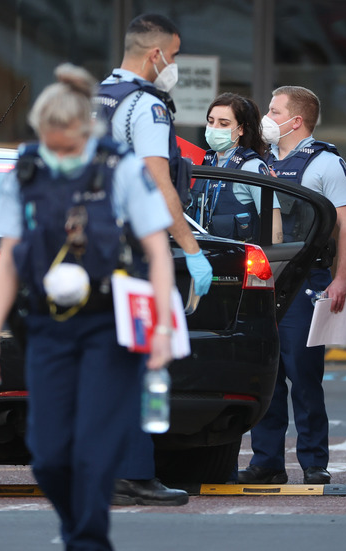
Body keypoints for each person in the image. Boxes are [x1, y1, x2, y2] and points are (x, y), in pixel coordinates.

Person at [0, 63, 177, 550]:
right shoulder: (27, 169)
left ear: (86, 132)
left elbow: (156, 250)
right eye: (49, 144)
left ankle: (86, 541)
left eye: (66, 146)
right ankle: (79, 531)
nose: (57, 155)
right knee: (47, 457)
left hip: (108, 325)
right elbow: (9, 261)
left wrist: (164, 329)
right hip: (46, 326)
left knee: (93, 446)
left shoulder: (119, 167)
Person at [93, 13, 199, 506]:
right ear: (155, 53)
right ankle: (134, 473)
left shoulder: (94, 98)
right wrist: (193, 251)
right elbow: (159, 181)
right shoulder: (145, 106)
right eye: (173, 56)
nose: (173, 64)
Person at [237, 86, 346, 485]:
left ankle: (312, 461)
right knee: (265, 375)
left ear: (297, 120)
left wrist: (341, 279)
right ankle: (267, 462)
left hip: (307, 280)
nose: (267, 117)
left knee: (304, 376)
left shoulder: (326, 163)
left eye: (274, 110)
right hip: (264, 280)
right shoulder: (263, 161)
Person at [188, 92, 282, 244]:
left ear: (241, 129)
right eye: (210, 121)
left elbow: (274, 229)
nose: (214, 128)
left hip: (237, 261)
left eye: (223, 124)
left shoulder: (251, 167)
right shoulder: (202, 161)